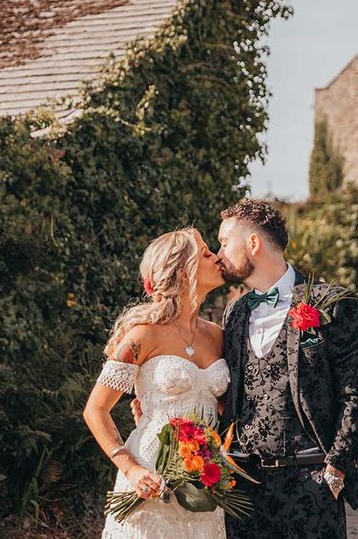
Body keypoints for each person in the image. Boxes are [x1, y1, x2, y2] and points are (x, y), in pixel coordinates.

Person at [215, 199, 358, 539]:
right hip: (244, 487)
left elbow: (356, 391)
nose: (219, 254)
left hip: (310, 484)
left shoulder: (331, 303)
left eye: (224, 242)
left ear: (253, 244)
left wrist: (336, 470)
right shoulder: (235, 313)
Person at [84, 228, 229, 539]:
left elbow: (225, 408)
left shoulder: (218, 335)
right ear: (182, 270)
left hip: (203, 484)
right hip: (150, 478)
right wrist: (131, 469)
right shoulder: (142, 335)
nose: (217, 257)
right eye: (206, 253)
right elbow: (96, 409)